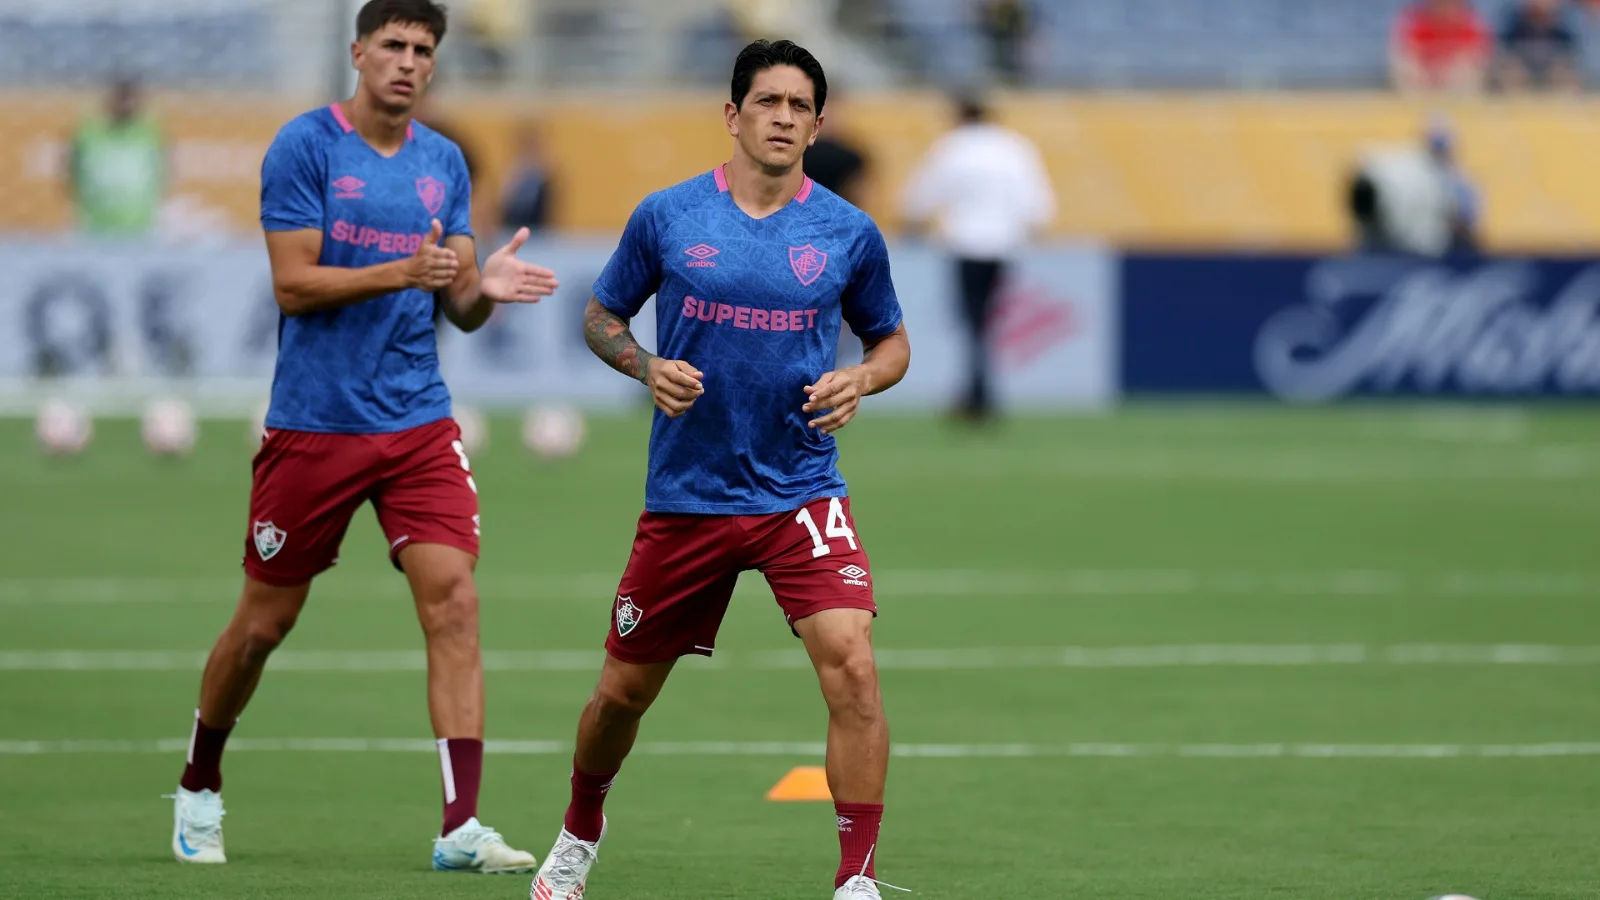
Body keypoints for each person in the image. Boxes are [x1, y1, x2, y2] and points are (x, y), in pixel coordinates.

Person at [168, 0, 558, 874]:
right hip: (316, 423)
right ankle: (199, 782)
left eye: (424, 50)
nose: (409, 62)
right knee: (264, 624)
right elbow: (293, 285)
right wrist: (403, 272)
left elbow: (455, 307)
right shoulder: (306, 146)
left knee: (454, 600)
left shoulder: (445, 162)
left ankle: (460, 827)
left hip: (417, 420)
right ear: (359, 51)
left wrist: (483, 284)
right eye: (394, 45)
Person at [527, 38, 912, 900]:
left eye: (798, 106)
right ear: (732, 115)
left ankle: (858, 878)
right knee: (621, 696)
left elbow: (891, 342)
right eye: (766, 102)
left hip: (801, 487)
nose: (782, 117)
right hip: (690, 495)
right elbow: (600, 315)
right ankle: (580, 830)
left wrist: (861, 376)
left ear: (816, 125)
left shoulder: (847, 232)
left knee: (851, 662)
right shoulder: (668, 217)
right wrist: (641, 364)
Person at [900, 91, 1054, 423]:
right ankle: (979, 391)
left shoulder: (954, 147)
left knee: (972, 321)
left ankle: (977, 394)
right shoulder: (1013, 147)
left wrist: (912, 220)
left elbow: (924, 192)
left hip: (965, 243)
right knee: (985, 322)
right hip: (1003, 244)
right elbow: (1035, 200)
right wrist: (1034, 225)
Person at [67, 75, 167, 236]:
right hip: (95, 226)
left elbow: (164, 172)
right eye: (122, 99)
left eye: (131, 99)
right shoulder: (87, 133)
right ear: (110, 101)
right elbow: (70, 171)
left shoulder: (151, 134)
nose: (126, 105)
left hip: (139, 226)